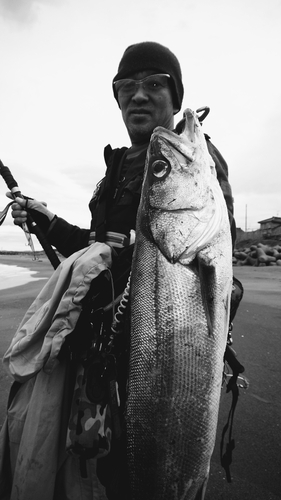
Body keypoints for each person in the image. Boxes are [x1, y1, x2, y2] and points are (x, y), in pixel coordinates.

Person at [3, 42, 238, 500]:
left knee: (162, 473)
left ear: (176, 96)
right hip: (101, 358)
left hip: (160, 354)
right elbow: (97, 250)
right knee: (107, 473)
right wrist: (47, 222)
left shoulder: (194, 164)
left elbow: (204, 245)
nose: (139, 96)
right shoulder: (113, 172)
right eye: (126, 87)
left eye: (155, 85)